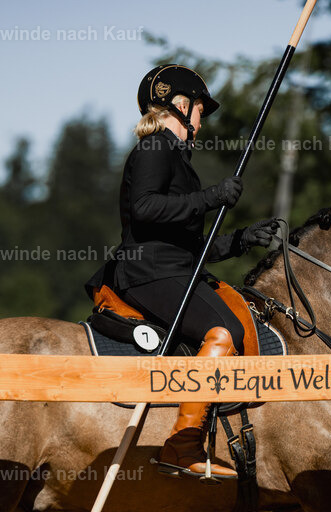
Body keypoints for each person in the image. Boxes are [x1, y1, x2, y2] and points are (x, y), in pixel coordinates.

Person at [85, 64, 281, 480]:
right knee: (223, 332)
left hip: (171, 268)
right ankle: (182, 443)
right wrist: (212, 196)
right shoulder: (156, 147)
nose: (201, 122)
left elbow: (189, 249)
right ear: (180, 105)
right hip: (146, 272)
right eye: (199, 111)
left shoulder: (176, 156)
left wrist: (243, 239)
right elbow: (145, 208)